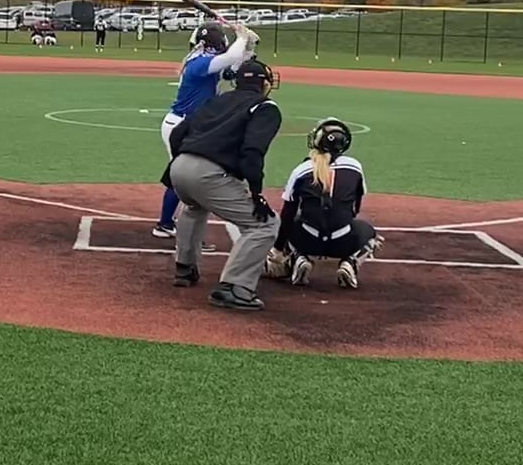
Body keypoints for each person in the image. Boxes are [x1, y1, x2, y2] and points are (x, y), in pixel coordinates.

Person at [163, 57, 284, 310]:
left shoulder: (217, 100)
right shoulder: (265, 107)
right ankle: (234, 287)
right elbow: (252, 151)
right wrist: (256, 194)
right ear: (264, 83)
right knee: (265, 225)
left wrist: (181, 161)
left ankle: (184, 268)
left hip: (179, 167)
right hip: (207, 173)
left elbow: (177, 134)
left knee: (194, 206)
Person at [154, 21, 257, 240]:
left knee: (184, 175)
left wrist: (248, 49)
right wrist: (241, 37)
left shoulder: (203, 60)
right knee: (182, 176)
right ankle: (168, 225)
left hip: (189, 125)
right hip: (180, 125)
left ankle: (169, 223)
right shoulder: (199, 63)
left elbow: (231, 71)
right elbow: (230, 58)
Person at [264, 118, 385, 290]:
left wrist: (277, 249)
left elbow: (287, 214)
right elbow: (355, 209)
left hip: (308, 240)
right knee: (369, 232)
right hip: (343, 241)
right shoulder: (355, 167)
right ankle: (350, 263)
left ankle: (298, 257)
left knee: (288, 222)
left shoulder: (301, 170)